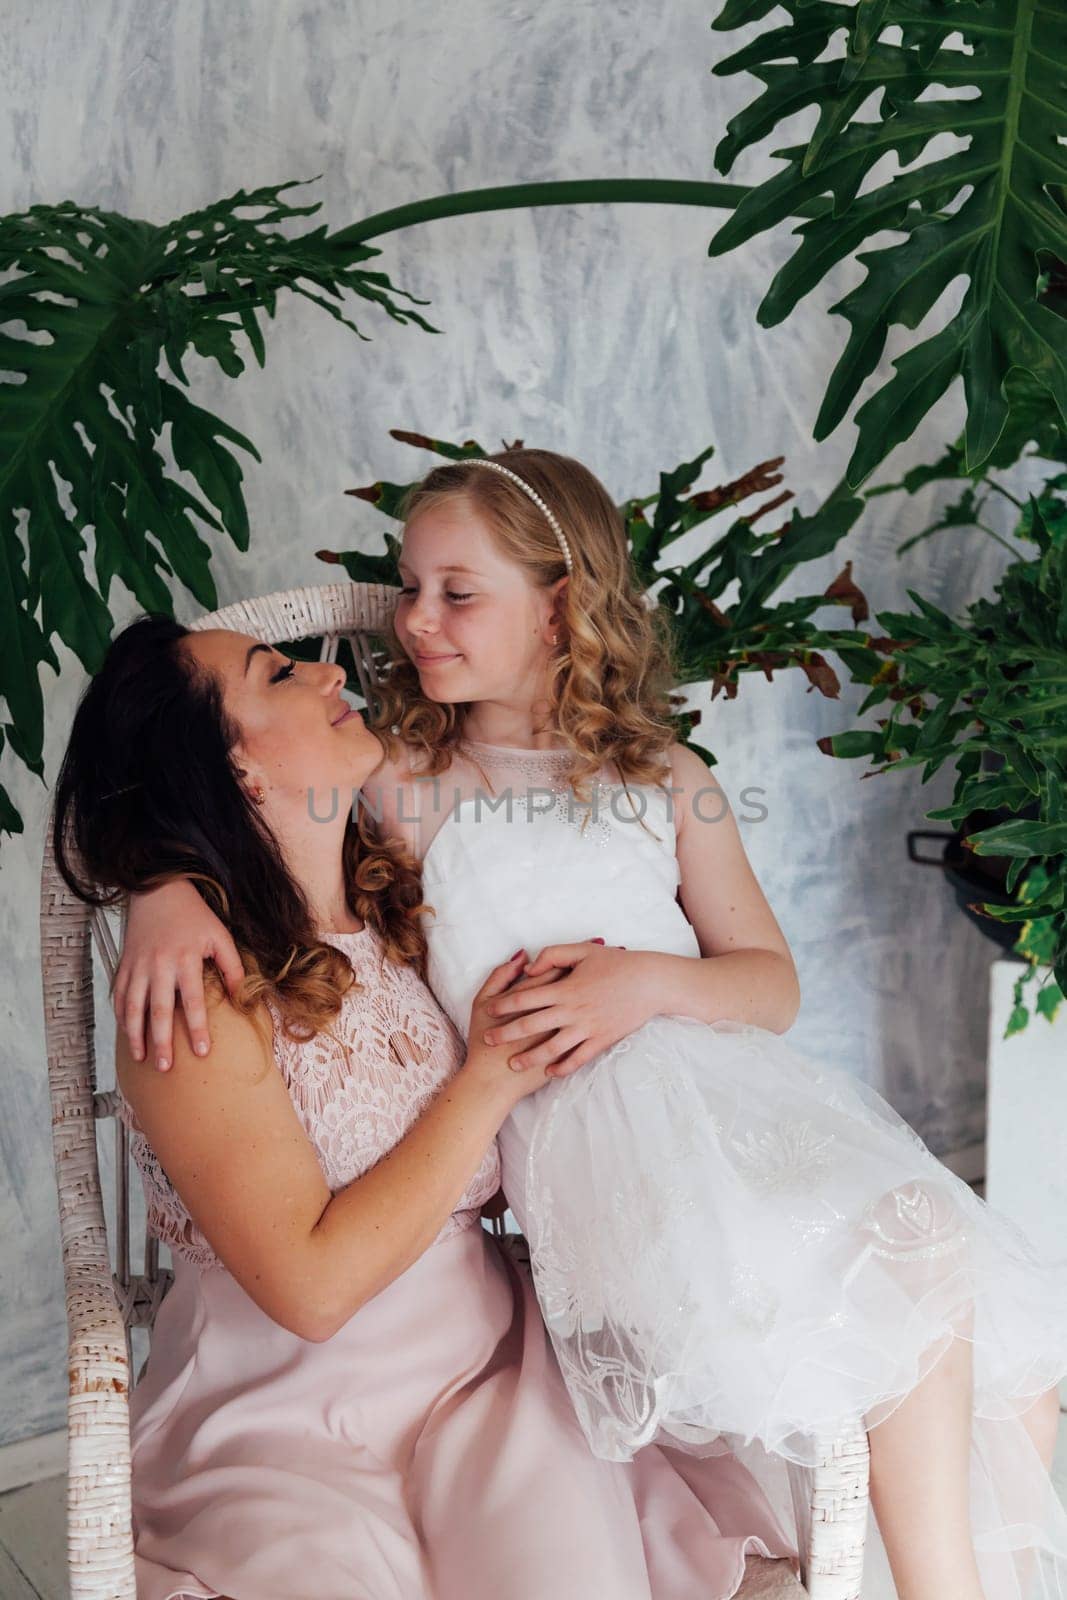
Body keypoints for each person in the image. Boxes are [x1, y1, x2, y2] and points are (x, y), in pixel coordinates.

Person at [116, 449, 1067, 1600]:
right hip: (592, 1156)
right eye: (407, 587)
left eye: (455, 593)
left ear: (559, 607)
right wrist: (157, 887)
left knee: (947, 1268)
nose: (411, 622)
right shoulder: (399, 778)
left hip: (726, 1100)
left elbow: (767, 985)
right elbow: (200, 802)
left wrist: (646, 983)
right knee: (894, 1282)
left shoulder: (666, 773)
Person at [56, 612, 798, 1600]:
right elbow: (312, 1293)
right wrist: (486, 1075)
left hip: (490, 1371)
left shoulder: (406, 883)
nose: (329, 676)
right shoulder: (202, 995)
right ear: (236, 770)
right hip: (286, 1417)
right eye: (279, 675)